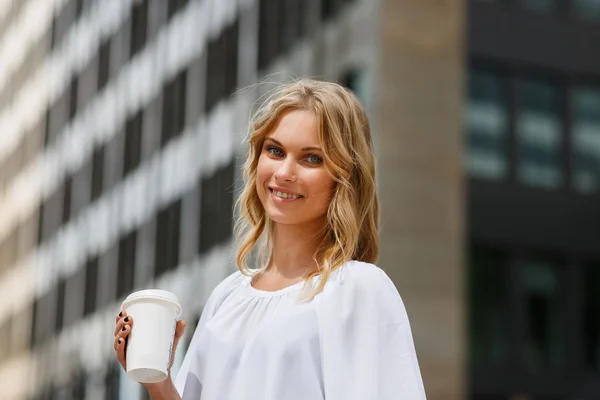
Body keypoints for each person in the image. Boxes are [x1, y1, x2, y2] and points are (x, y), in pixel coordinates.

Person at [113, 79, 427, 399]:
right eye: (275, 151)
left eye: (311, 158)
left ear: (344, 176)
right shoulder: (227, 296)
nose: (285, 172)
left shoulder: (359, 289)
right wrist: (160, 383)